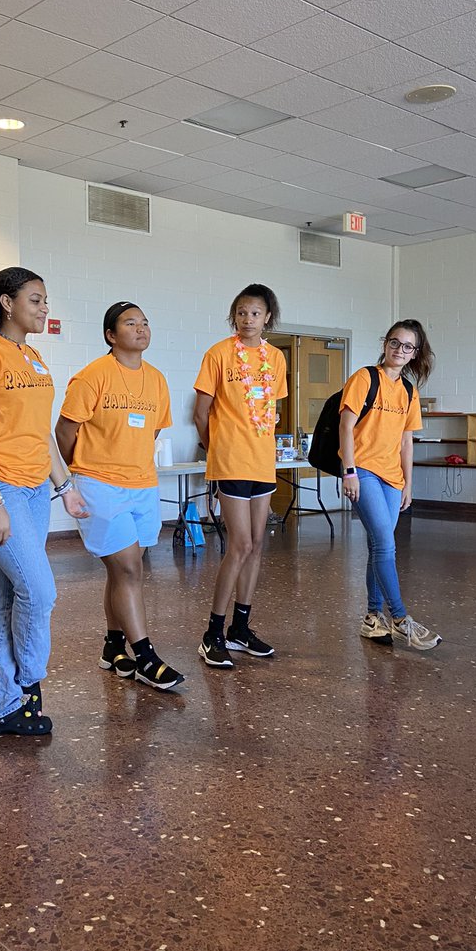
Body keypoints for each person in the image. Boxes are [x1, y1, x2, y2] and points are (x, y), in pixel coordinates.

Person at [0, 266, 87, 737]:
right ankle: (28, 686)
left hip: (32, 489)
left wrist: (64, 487)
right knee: (40, 591)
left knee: (9, 596)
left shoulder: (32, 358)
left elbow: (41, 434)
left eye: (46, 299)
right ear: (7, 303)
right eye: (35, 299)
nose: (44, 307)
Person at [55, 302, 184, 691]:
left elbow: (152, 432)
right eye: (131, 323)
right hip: (99, 483)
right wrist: (77, 475)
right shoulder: (92, 376)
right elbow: (64, 431)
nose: (141, 328)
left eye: (145, 322)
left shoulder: (157, 379)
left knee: (125, 569)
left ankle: (112, 647)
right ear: (111, 335)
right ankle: (145, 656)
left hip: (142, 485)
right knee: (128, 568)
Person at [193, 284, 288, 669]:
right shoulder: (218, 354)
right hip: (230, 460)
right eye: (242, 312)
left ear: (268, 318)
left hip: (263, 461)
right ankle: (212, 633)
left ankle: (240, 628)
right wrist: (216, 451)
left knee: (257, 545)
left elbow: (271, 412)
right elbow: (202, 413)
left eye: (255, 313)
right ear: (234, 316)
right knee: (240, 545)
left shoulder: (276, 359)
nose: (248, 319)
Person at [339, 320, 441, 652]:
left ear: (415, 354)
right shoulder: (365, 378)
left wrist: (409, 484)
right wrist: (350, 471)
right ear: (386, 344)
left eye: (407, 346)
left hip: (392, 478)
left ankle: (372, 618)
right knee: (385, 544)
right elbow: (346, 424)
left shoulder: (409, 391)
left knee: (377, 546)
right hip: (364, 471)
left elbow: (406, 442)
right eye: (394, 343)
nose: (399, 350)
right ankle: (400, 619)